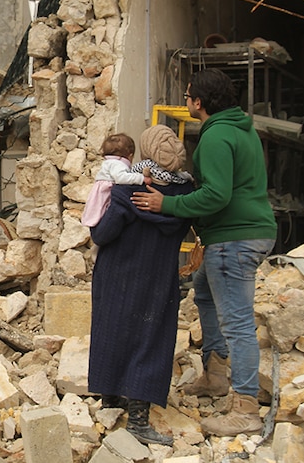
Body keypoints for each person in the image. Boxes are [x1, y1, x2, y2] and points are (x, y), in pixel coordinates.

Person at [131, 68, 277, 437]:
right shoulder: (241, 129)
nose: (185, 101)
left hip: (235, 238)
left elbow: (216, 195)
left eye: (187, 96)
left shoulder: (215, 137)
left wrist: (166, 204)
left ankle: (245, 408)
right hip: (245, 232)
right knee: (205, 291)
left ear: (198, 102)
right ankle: (215, 376)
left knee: (238, 322)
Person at [87, 124, 194, 446]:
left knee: (111, 329)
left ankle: (111, 398)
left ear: (144, 155)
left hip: (117, 274)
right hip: (157, 278)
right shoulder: (185, 195)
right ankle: (136, 415)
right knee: (150, 339)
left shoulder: (126, 190)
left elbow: (101, 235)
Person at [81, 133, 149, 228]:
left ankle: (92, 221)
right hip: (106, 190)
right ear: (130, 156)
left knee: (96, 208)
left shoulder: (109, 162)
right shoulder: (118, 164)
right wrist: (141, 178)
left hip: (101, 188)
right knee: (103, 209)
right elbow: (121, 178)